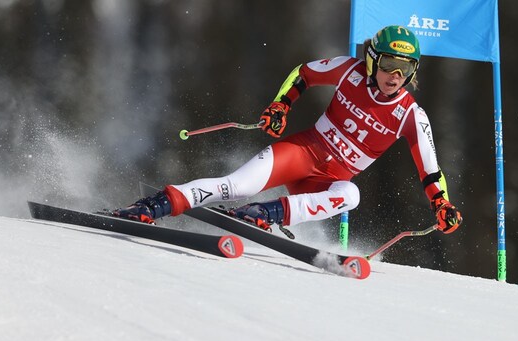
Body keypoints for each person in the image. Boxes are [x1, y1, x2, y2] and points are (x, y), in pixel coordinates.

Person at [112, 25, 462, 234]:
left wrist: (442, 205)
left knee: (351, 196)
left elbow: (430, 171)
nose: (395, 76)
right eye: (389, 64)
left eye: (405, 69)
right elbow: (304, 73)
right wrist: (281, 105)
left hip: (327, 182)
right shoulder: (348, 70)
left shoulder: (410, 115)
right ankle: (155, 205)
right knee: (237, 185)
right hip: (302, 153)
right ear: (373, 59)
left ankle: (266, 213)